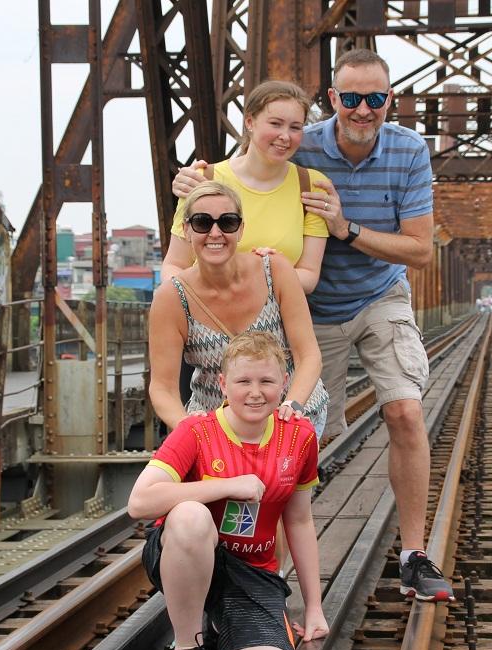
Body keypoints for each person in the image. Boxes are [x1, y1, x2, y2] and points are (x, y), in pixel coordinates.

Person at [173, 49, 454, 603]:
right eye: (351, 98)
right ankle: (260, 568)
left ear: (390, 100)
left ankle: (414, 556)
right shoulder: (303, 141)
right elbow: (248, 171)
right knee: (296, 440)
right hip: (308, 310)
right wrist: (193, 180)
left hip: (379, 295)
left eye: (376, 99)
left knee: (404, 408)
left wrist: (345, 228)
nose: (363, 109)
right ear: (333, 99)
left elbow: (420, 251)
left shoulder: (407, 150)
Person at [128, 331, 329, 650]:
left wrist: (314, 607)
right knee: (190, 515)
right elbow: (139, 502)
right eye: (243, 381)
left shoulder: (300, 437)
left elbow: (299, 520)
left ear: (284, 383)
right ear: (222, 384)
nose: (254, 392)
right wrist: (226, 485)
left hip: (252, 570)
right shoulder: (195, 431)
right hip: (185, 553)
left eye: (266, 381)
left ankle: (224, 622)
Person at [149, 181, 329, 438]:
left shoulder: (274, 270)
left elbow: (308, 355)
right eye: (202, 222)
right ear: (186, 230)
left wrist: (291, 406)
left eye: (227, 222)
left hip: (288, 413)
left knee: (276, 476)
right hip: (217, 425)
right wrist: (189, 429)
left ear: (241, 229)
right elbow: (162, 388)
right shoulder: (172, 298)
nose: (215, 233)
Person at [161, 80, 330, 294]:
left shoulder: (312, 186)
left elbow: (309, 274)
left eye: (295, 127)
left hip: (271, 322)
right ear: (250, 122)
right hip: (206, 310)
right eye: (275, 124)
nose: (285, 136)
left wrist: (265, 273)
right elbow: (174, 264)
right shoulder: (204, 179)